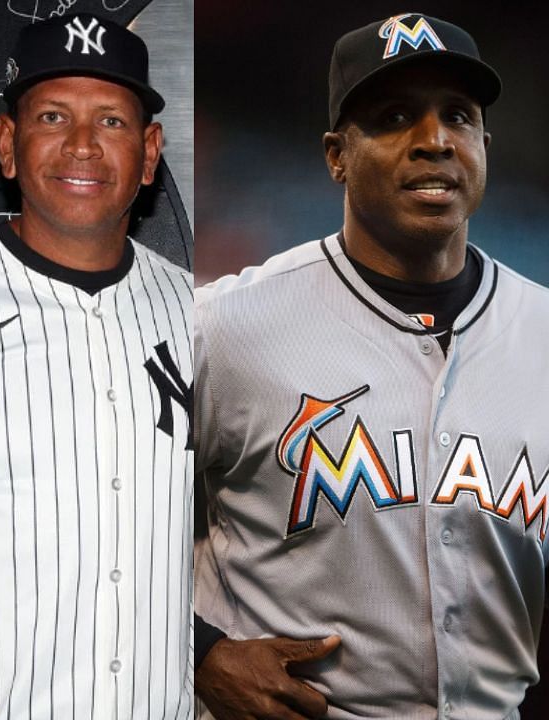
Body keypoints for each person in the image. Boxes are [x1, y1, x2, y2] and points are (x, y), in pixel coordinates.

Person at [193, 12, 549, 719]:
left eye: (457, 116)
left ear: (484, 145)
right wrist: (197, 652)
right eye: (393, 117)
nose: (433, 141)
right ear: (336, 156)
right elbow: (95, 514)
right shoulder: (225, 326)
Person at [0, 12, 195, 719]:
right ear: (8, 144)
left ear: (149, 154)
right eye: (53, 116)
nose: (82, 145)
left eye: (112, 122)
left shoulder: (197, 313)